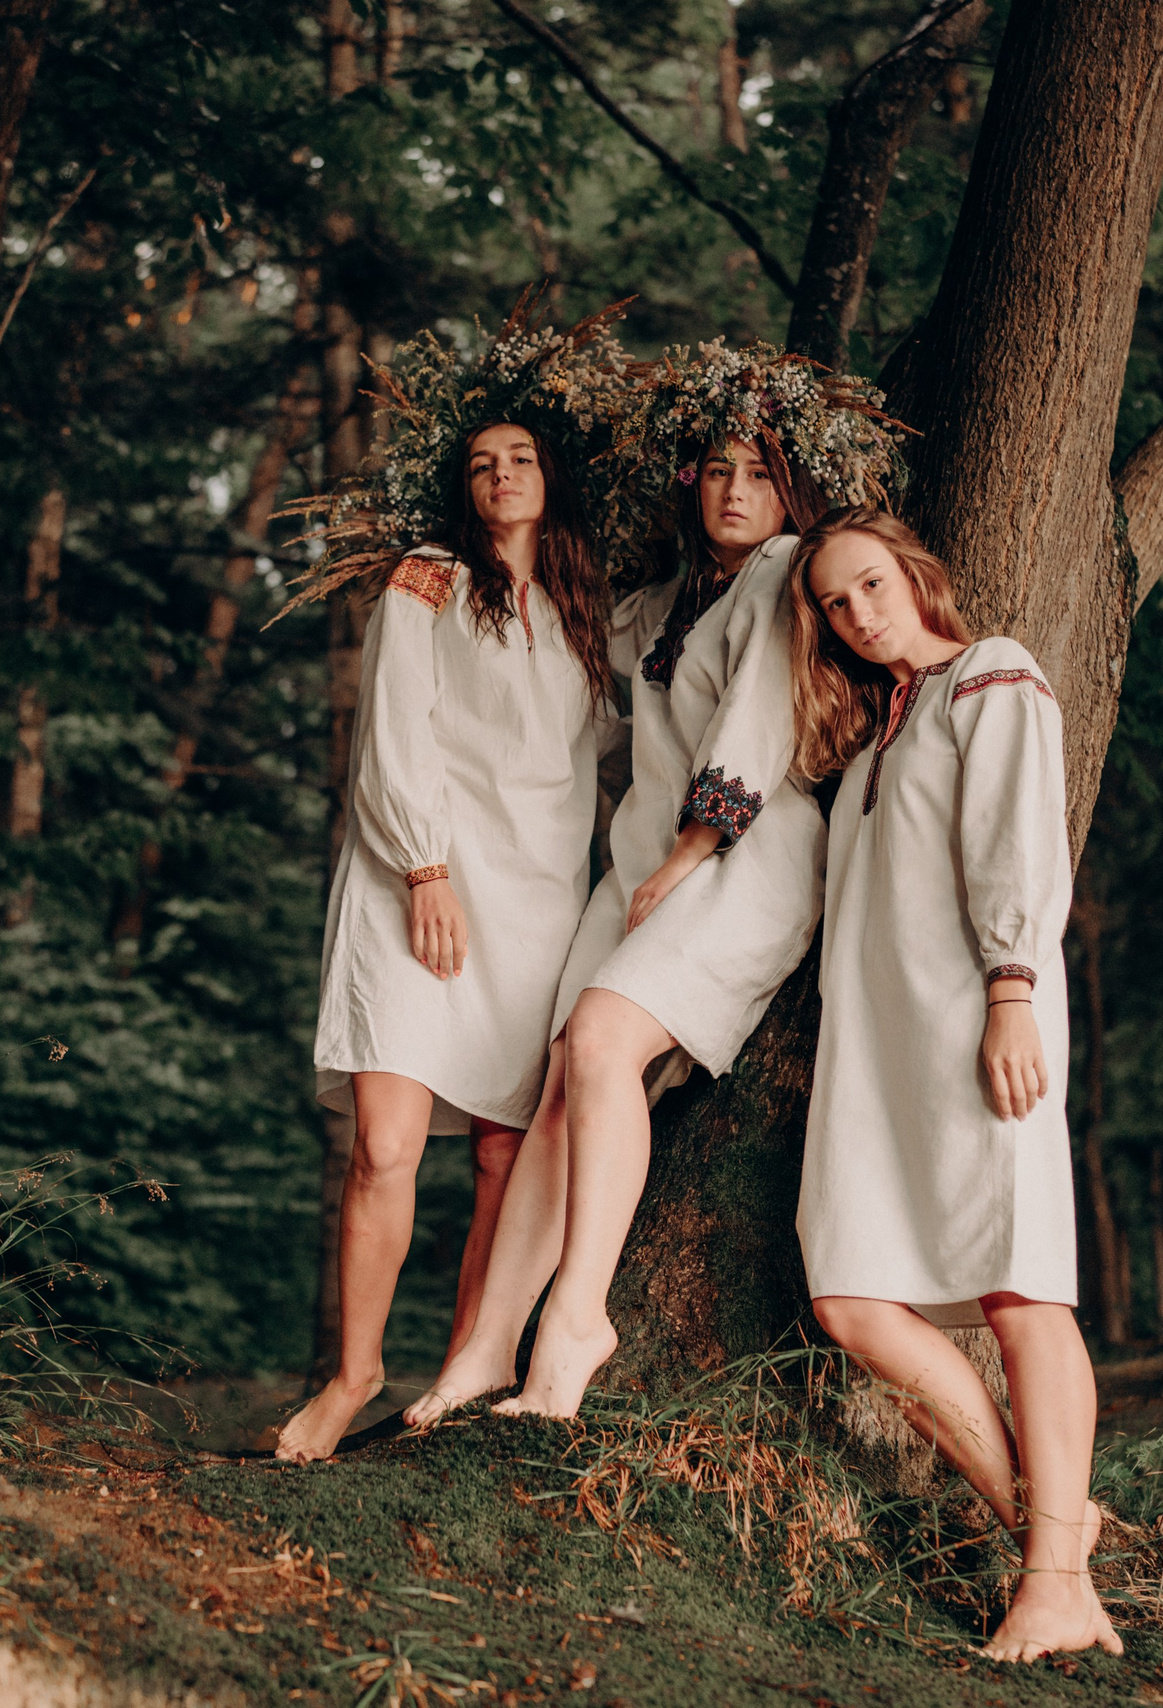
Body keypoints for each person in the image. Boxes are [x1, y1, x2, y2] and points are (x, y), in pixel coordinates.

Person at [404, 430, 828, 1425]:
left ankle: (578, 1319)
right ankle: (482, 1345)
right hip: (639, 861)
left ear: (790, 491)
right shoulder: (660, 600)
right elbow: (572, 708)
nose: (735, 489)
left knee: (599, 1044)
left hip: (740, 854)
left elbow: (760, 721)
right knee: (564, 1078)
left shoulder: (783, 573)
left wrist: (688, 853)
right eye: (716, 468)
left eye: (761, 472)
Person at [786, 506, 1120, 1663]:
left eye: (870, 583)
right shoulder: (873, 732)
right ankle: (1050, 1526)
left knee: (1018, 1288)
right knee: (849, 1297)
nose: (857, 612)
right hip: (875, 1052)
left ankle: (1054, 1581)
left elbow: (1020, 841)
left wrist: (1014, 988)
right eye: (833, 601)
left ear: (912, 573)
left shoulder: (991, 673)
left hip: (986, 1017)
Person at [279, 419, 617, 1463]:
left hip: (535, 895)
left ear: (550, 475)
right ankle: (354, 1372)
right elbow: (393, 723)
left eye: (518, 457)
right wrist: (425, 867)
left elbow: (610, 747)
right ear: (460, 489)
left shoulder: (587, 606)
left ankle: (467, 1365)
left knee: (502, 1151)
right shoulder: (425, 577)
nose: (500, 474)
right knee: (384, 1144)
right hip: (411, 877)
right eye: (480, 464)